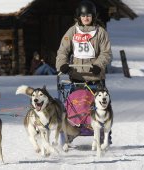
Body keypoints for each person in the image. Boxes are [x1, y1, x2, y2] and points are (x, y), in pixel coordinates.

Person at [56, 0, 112, 143]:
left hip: (95, 77)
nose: (86, 18)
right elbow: (63, 50)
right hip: (77, 77)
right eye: (83, 15)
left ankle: (102, 132)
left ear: (93, 16)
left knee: (97, 106)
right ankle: (70, 130)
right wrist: (62, 64)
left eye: (89, 15)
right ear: (78, 16)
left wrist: (99, 64)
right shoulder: (73, 31)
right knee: (74, 105)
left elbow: (106, 53)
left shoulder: (100, 32)